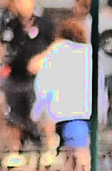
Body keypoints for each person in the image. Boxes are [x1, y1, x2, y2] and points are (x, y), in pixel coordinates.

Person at [0, 0, 53, 152]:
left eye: (23, 1)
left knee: (40, 114)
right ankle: (15, 149)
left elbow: (54, 46)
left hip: (37, 77)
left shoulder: (44, 23)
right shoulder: (10, 24)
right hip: (15, 75)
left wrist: (41, 59)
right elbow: (2, 44)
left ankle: (47, 148)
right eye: (16, 1)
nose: (19, 5)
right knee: (13, 115)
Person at [32, 15, 95, 151]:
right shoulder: (90, 54)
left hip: (62, 114)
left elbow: (43, 82)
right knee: (82, 150)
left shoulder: (57, 51)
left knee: (72, 153)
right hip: (87, 112)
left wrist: (37, 110)